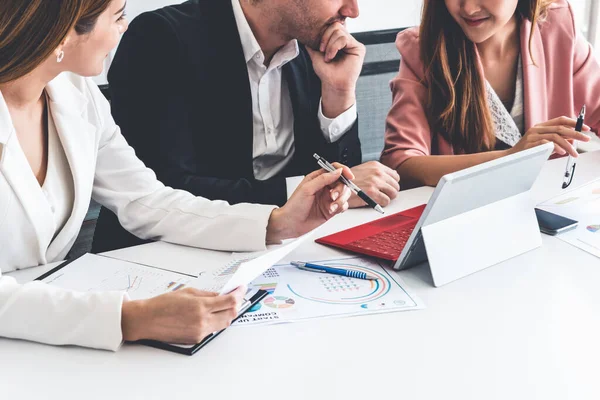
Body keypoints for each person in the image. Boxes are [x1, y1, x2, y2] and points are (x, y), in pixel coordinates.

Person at [0, 0, 353, 351]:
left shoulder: (76, 93)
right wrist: (129, 318)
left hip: (39, 340)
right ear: (64, 28)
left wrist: (276, 223)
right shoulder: (161, 39)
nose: (124, 28)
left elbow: (145, 201)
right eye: (117, 16)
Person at [91, 0, 401, 253]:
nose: (352, 10)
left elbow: (347, 182)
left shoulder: (313, 49)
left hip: (277, 252)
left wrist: (339, 93)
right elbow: (166, 186)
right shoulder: (162, 37)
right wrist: (306, 194)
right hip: (164, 259)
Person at [382, 0, 598, 188]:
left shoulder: (555, 24)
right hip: (463, 216)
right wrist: (508, 159)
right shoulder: (422, 49)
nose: (469, 7)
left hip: (547, 208)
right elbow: (401, 163)